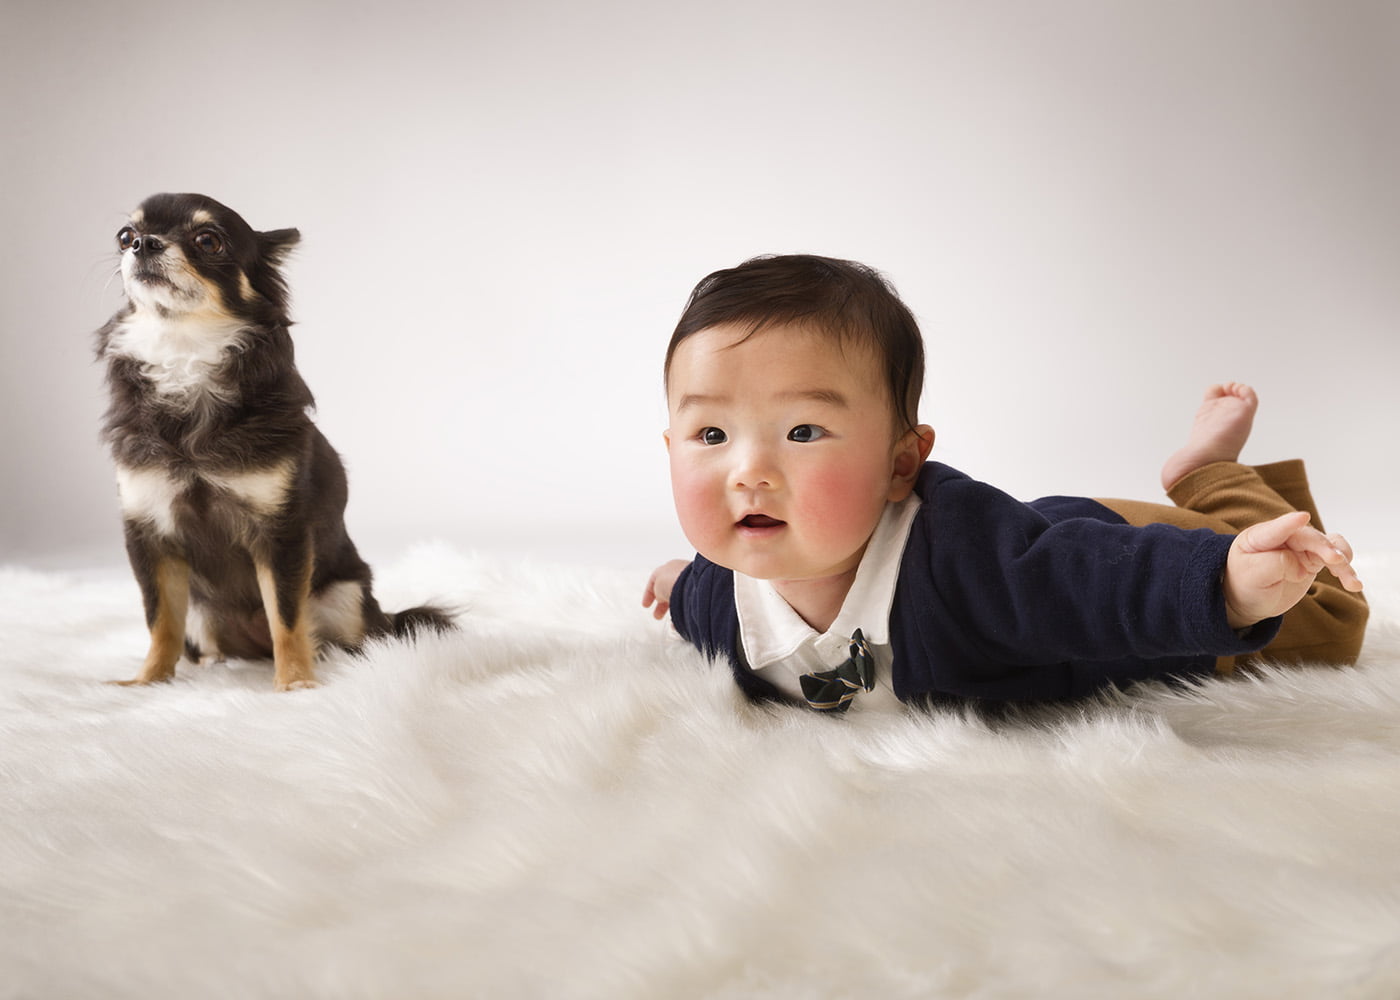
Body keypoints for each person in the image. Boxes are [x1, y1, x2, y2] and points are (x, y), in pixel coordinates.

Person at [642, 254, 1367, 712]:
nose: (750, 472)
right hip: (1035, 536)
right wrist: (680, 583)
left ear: (901, 464)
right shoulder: (723, 592)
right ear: (671, 447)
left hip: (1115, 557)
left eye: (803, 432)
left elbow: (1094, 586)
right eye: (712, 435)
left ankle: (1209, 476)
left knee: (1332, 619)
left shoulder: (974, 568)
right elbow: (704, 604)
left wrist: (1229, 587)